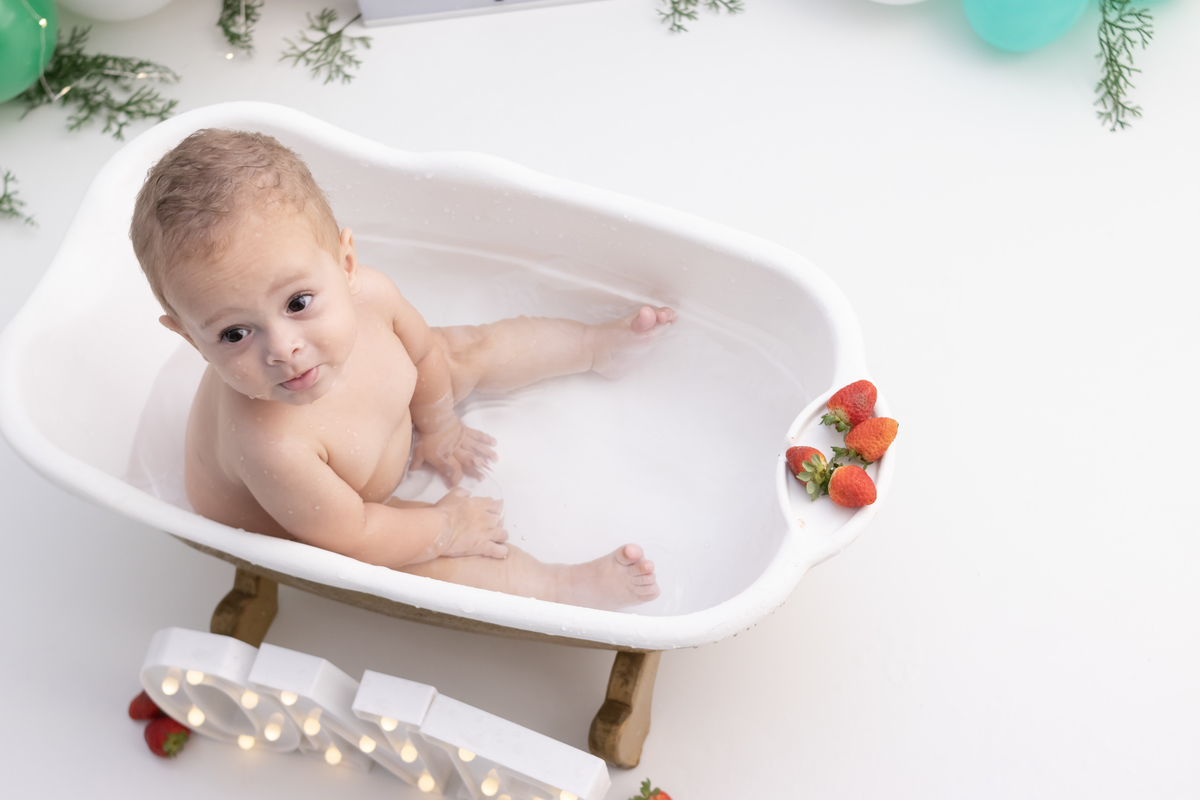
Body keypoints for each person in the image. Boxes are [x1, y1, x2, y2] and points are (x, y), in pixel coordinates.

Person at [130, 129, 674, 610]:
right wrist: (445, 526)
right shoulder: (270, 446)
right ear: (190, 339)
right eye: (233, 334)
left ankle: (594, 346)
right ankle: (561, 590)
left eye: (298, 302)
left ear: (346, 265)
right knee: (425, 567)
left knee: (466, 349)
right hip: (334, 518)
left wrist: (439, 423)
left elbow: (424, 358)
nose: (284, 349)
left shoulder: (372, 296)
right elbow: (355, 536)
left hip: (378, 445)